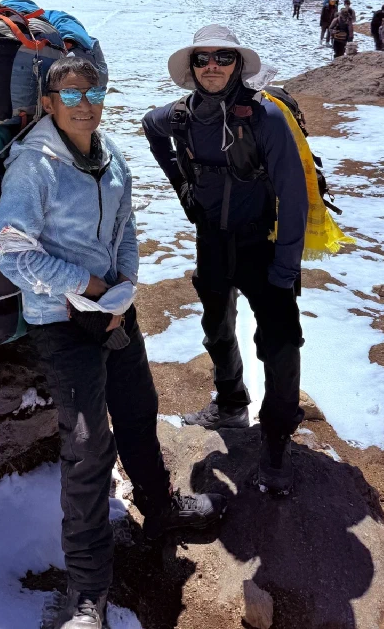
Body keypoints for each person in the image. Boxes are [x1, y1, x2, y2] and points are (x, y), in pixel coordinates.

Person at [0, 58, 226, 629]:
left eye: (93, 89)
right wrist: (89, 287)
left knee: (139, 409)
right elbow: (10, 251)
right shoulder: (33, 165)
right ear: (48, 102)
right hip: (61, 320)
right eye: (70, 93)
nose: (84, 101)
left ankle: (161, 508)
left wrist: (122, 291)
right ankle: (87, 591)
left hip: (116, 315)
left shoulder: (112, 155)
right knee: (89, 445)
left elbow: (125, 231)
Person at [142, 26, 307, 494]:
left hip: (263, 244)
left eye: (223, 58)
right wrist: (183, 188)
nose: (212, 66)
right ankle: (231, 402)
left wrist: (286, 267)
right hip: (211, 240)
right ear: (191, 68)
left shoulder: (266, 118)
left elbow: (293, 196)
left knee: (279, 341)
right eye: (202, 59)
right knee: (217, 325)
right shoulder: (177, 117)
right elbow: (149, 128)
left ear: (237, 66)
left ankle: (276, 437)